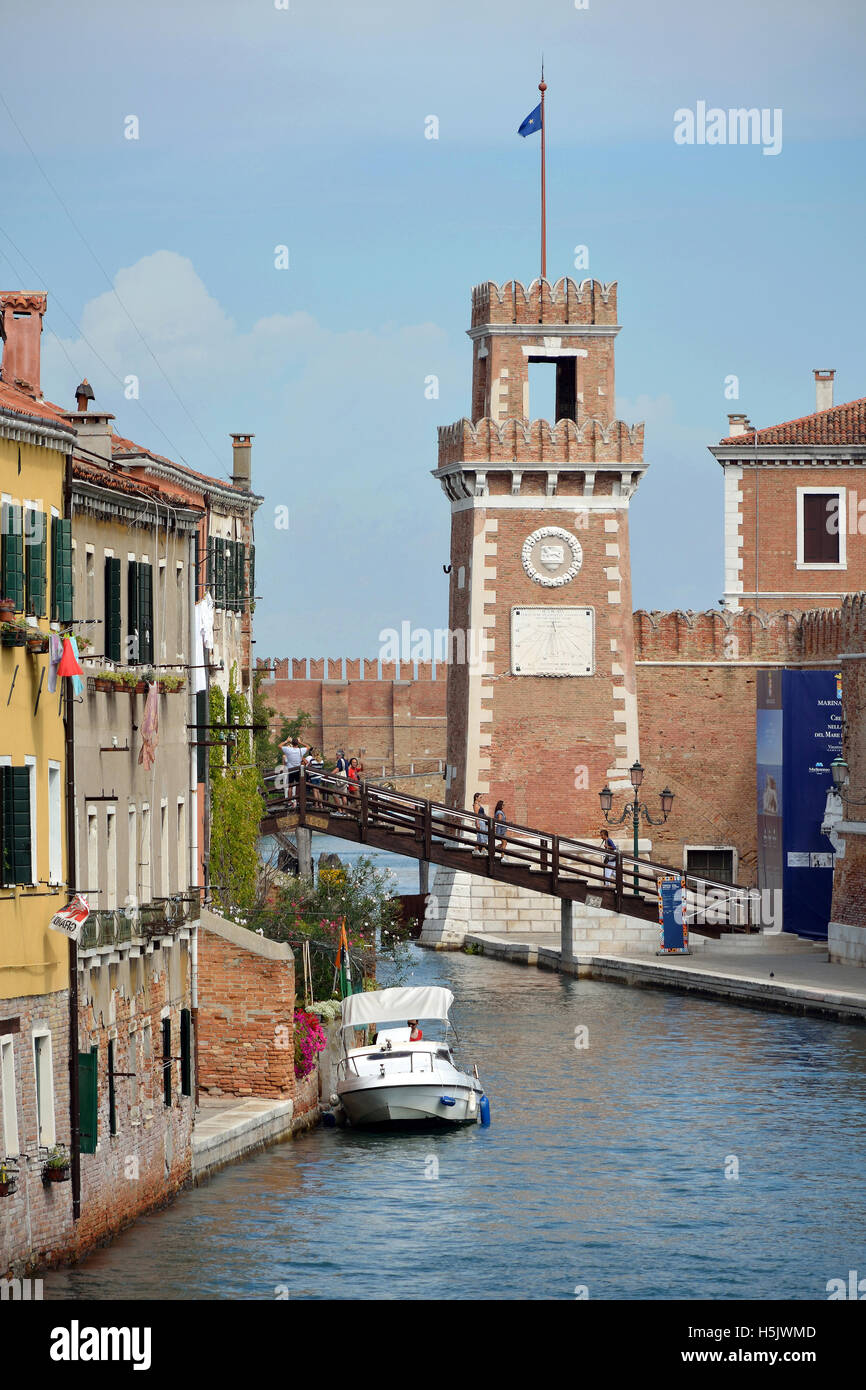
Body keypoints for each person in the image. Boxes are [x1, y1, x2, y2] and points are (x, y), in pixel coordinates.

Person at [279, 736, 306, 801]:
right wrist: (301, 742)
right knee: (298, 785)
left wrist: (286, 741)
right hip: (297, 770)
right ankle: (297, 800)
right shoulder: (300, 750)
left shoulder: (288, 750)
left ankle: (290, 801)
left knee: (290, 787)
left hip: (290, 770)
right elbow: (308, 747)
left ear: (292, 743)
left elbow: (279, 746)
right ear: (297, 743)